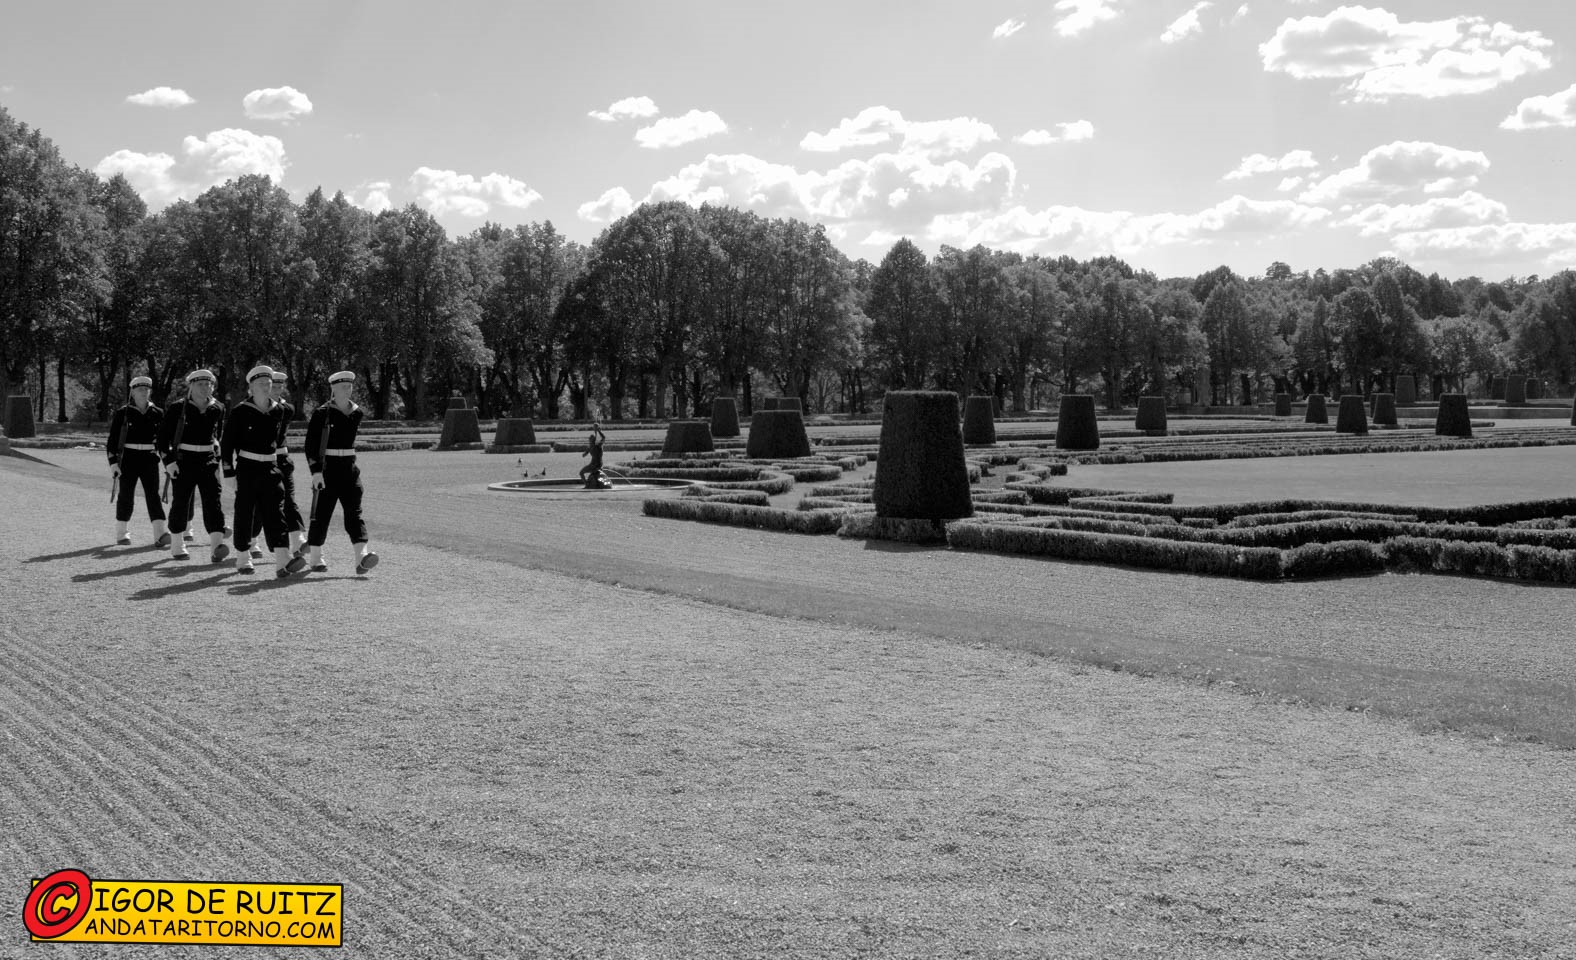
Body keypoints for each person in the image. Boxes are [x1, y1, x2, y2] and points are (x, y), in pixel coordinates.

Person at [222, 365, 305, 578]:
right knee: (245, 513)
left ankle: (282, 559)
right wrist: (229, 472)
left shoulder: (279, 410)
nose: (266, 387)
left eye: (268, 383)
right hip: (247, 468)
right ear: (251, 387)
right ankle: (243, 557)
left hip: (271, 468)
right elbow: (227, 443)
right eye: (261, 384)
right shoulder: (240, 411)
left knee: (276, 513)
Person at [303, 371, 379, 575]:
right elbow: (311, 445)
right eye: (343, 386)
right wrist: (316, 472)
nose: (348, 389)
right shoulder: (322, 413)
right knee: (321, 514)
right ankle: (316, 557)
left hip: (349, 469)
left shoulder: (357, 412)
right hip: (327, 470)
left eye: (350, 386)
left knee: (354, 513)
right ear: (333, 389)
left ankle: (361, 557)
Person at [158, 369, 230, 563]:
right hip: (184, 460)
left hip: (208, 460)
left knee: (213, 502)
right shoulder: (177, 408)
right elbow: (163, 438)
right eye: (200, 384)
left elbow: (218, 435)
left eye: (208, 384)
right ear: (191, 386)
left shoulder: (218, 407)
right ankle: (177, 544)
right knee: (181, 502)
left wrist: (217, 456)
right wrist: (169, 462)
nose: (205, 388)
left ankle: (217, 546)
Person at [250, 369, 307, 557]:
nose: (276, 389)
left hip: (281, 459)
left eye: (279, 386)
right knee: (260, 505)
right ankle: (252, 540)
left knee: (289, 500)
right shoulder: (253, 408)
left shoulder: (287, 409)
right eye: (273, 386)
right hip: (261, 461)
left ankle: (298, 541)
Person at [106, 376, 168, 547]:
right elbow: (112, 441)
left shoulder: (158, 413)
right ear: (132, 392)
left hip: (149, 458)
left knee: (153, 495)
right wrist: (113, 463)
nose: (144, 392)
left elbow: (163, 440)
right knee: (126, 495)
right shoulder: (123, 412)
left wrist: (167, 461)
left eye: (146, 389)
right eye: (140, 389)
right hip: (128, 458)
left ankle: (160, 533)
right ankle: (122, 533)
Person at [578, 422, 608, 488]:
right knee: (581, 473)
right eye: (589, 439)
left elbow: (603, 438)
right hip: (593, 464)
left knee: (581, 473)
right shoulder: (591, 447)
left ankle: (587, 484)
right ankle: (587, 484)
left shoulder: (598, 446)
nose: (590, 441)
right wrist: (584, 454)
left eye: (591, 440)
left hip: (597, 465)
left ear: (593, 440)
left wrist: (598, 431)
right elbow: (585, 454)